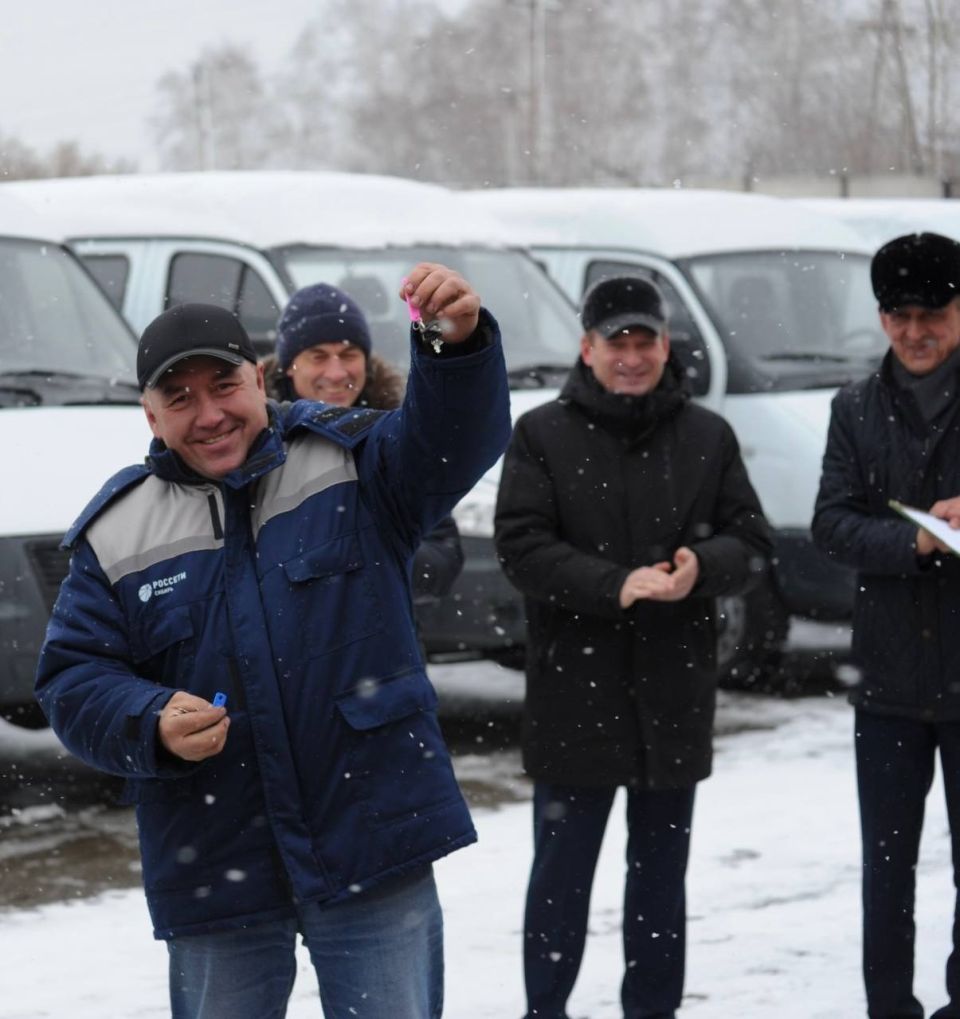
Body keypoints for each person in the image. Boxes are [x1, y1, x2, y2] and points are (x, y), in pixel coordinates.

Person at [35, 263, 511, 1019]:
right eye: (178, 397)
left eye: (222, 385)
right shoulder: (118, 531)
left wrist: (455, 347)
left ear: (259, 381)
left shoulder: (355, 464)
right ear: (150, 416)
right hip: (215, 862)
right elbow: (70, 680)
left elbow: (454, 437)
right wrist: (149, 718)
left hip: (373, 841)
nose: (209, 413)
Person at [494, 275, 772, 1019]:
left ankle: (653, 1010)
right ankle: (543, 1008)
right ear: (586, 348)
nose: (631, 355)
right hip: (571, 697)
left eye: (644, 339)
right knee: (561, 877)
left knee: (658, 882)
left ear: (664, 344)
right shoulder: (541, 435)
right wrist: (612, 584)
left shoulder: (707, 436)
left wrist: (699, 570)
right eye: (615, 340)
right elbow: (520, 548)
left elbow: (752, 543)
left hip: (672, 695)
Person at [813, 231, 960, 1019]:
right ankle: (888, 1006)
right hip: (889, 678)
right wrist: (911, 538)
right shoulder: (855, 407)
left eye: (932, 312)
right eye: (899, 315)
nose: (915, 331)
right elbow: (831, 523)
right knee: (887, 865)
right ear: (880, 318)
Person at [264, 281, 463, 606]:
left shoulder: (395, 433)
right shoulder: (260, 440)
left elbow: (444, 555)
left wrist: (375, 558)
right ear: (289, 364)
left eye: (348, 354)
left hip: (388, 645)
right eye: (318, 356)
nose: (337, 372)